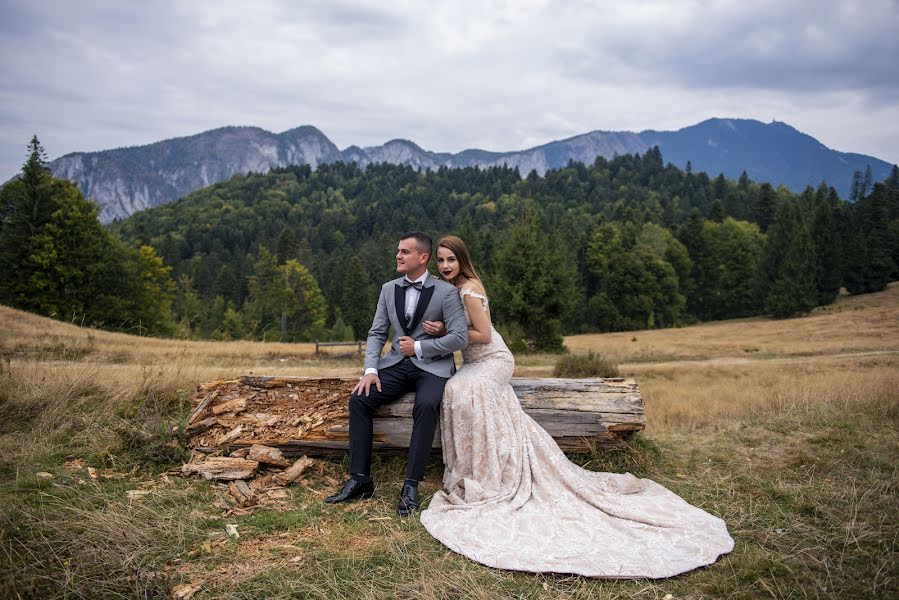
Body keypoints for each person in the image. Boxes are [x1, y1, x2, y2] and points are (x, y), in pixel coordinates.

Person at [418, 235, 734, 578]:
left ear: (462, 260)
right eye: (441, 260)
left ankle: (492, 469)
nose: (445, 266)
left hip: (492, 359)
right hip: (473, 363)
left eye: (451, 260)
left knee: (466, 389)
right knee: (456, 389)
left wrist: (447, 330)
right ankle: (479, 464)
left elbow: (484, 334)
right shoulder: (450, 287)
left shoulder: (469, 289)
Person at [324, 231, 468, 517]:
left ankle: (410, 486)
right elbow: (377, 332)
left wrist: (418, 346)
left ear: (423, 258)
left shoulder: (446, 293)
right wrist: (370, 369)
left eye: (405, 252)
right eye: (398, 252)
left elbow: (459, 338)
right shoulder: (388, 289)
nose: (398, 256)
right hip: (397, 364)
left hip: (434, 366)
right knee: (360, 399)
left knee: (426, 405)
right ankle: (360, 479)